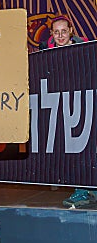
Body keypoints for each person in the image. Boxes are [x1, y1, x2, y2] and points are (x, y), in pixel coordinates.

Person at [38, 14, 97, 208]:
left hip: (85, 104)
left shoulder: (86, 49)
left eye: (64, 31)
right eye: (56, 32)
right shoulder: (45, 55)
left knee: (89, 146)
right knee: (69, 150)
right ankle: (81, 189)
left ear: (71, 31)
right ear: (52, 34)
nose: (61, 35)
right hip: (60, 108)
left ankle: (89, 189)